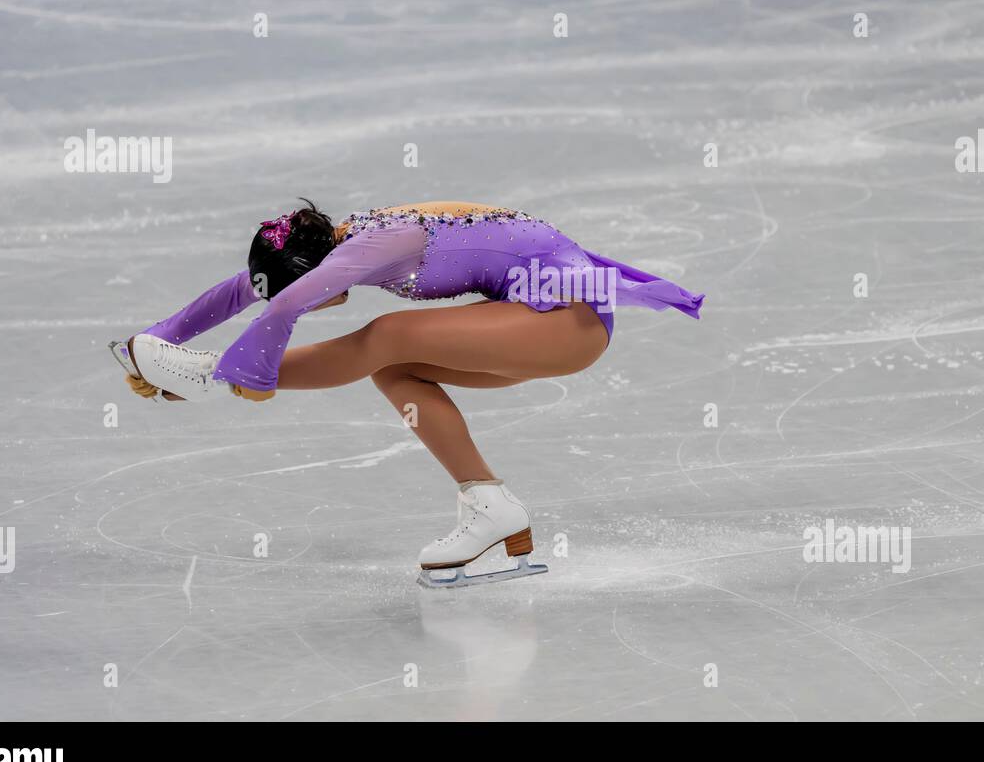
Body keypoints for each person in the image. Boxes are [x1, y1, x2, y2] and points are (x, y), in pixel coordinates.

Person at [118, 200, 704, 586]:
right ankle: (491, 509)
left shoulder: (371, 246)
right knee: (395, 368)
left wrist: (225, 375)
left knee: (388, 335)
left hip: (568, 317)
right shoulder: (336, 240)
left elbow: (292, 301)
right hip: (531, 317)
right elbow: (251, 290)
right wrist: (155, 341)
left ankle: (209, 375)